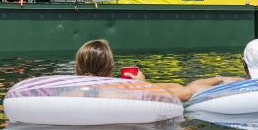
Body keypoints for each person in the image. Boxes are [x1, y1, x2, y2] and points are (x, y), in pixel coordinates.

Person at [74, 39, 223, 102]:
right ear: (110, 67)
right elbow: (184, 94)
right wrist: (142, 85)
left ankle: (219, 78)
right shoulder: (126, 93)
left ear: (77, 67)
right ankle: (219, 78)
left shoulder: (65, 93)